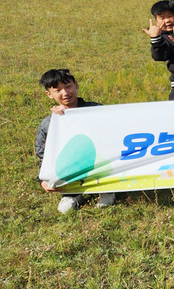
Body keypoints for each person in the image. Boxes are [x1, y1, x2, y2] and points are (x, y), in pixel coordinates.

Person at [34, 69, 115, 213]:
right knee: (64, 209)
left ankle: (106, 189)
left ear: (76, 85)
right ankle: (72, 194)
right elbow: (44, 154)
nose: (65, 93)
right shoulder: (49, 124)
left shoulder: (97, 110)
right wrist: (43, 180)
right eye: (58, 90)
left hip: (99, 162)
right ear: (49, 94)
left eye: (68, 87)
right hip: (71, 169)